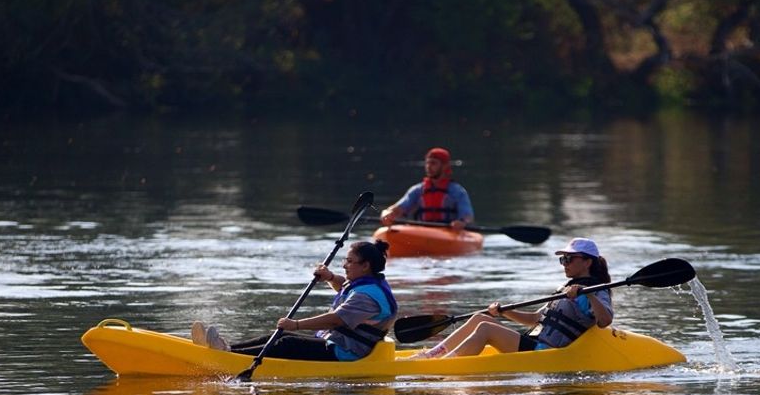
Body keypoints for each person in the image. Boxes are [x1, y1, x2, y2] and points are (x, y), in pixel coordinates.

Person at [191, 240, 397, 361]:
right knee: (274, 336)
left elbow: (336, 320)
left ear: (365, 266)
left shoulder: (367, 297)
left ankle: (227, 357)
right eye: (345, 260)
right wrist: (330, 278)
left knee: (287, 342)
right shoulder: (367, 284)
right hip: (338, 342)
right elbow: (344, 288)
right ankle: (228, 350)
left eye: (350, 262)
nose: (345, 265)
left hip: (348, 352)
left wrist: (296, 324)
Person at [411, 238, 614, 359]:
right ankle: (432, 356)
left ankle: (444, 366)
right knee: (479, 319)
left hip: (545, 352)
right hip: (533, 342)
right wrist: (505, 312)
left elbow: (605, 321)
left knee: (486, 329)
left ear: (587, 261)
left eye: (569, 259)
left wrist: (587, 294)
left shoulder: (597, 290)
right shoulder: (566, 288)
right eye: (563, 259)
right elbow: (535, 319)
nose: (564, 263)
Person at [379, 147, 474, 230]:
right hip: (423, 232)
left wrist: (462, 222)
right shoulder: (417, 190)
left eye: (433, 163)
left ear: (445, 166)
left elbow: (468, 216)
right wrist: (387, 213)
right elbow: (399, 208)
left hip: (449, 232)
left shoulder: (457, 191)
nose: (428, 167)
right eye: (427, 163)